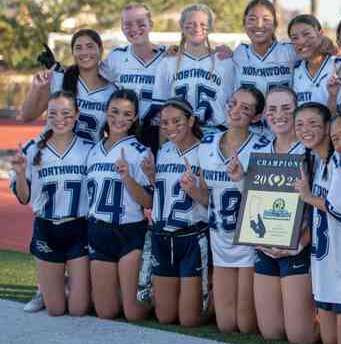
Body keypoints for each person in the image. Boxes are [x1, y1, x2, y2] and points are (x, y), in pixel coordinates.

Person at [10, 91, 93, 317]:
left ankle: (75, 284)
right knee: (55, 310)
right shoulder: (32, 148)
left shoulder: (88, 149)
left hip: (78, 228)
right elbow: (24, 198)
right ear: (47, 116)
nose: (60, 119)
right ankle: (56, 286)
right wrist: (19, 174)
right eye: (53, 114)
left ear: (76, 115)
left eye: (66, 113)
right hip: (46, 229)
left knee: (78, 310)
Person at [294, 106, 341, 344]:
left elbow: (338, 207)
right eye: (338, 137)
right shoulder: (317, 161)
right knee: (331, 343)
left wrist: (308, 196)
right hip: (325, 259)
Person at [200, 87, 270, 333]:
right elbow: (206, 197)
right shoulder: (207, 143)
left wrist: (243, 179)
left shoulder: (263, 146)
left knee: (245, 324)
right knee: (226, 324)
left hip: (249, 238)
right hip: (219, 236)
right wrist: (191, 190)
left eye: (246, 108)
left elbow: (266, 199)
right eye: (234, 103)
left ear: (256, 117)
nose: (236, 110)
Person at [251, 87, 317, 344]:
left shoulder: (309, 151)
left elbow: (319, 205)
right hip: (266, 246)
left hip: (299, 246)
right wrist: (256, 237)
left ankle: (327, 321)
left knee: (299, 337)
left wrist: (302, 241)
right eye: (272, 109)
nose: (279, 115)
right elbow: (254, 203)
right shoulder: (261, 150)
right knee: (270, 333)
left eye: (286, 109)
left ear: (297, 110)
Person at [86, 89, 152, 321]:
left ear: (134, 118)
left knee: (134, 314)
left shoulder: (141, 152)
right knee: (106, 312)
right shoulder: (93, 150)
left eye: (127, 114)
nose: (119, 118)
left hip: (130, 232)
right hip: (99, 231)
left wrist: (127, 178)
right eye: (114, 111)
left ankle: (152, 291)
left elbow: (149, 202)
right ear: (106, 112)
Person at [144, 99, 210, 327]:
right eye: (165, 123)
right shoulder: (163, 151)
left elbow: (212, 202)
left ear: (191, 121)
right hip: (162, 236)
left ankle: (217, 300)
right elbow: (161, 193)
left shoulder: (205, 152)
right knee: (164, 317)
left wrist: (195, 191)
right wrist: (152, 175)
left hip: (191, 237)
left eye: (176, 121)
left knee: (189, 320)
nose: (170, 127)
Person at [20, 29, 117, 143]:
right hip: (53, 155)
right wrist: (36, 88)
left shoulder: (111, 91)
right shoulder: (60, 79)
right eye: (78, 48)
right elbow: (27, 116)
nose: (84, 52)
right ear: (73, 53)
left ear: (100, 50)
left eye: (90, 46)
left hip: (89, 158)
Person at [152, 4, 236, 131]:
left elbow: (233, 105)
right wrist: (163, 148)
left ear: (211, 27)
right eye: (191, 23)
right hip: (180, 135)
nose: (197, 28)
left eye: (203, 24)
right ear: (181, 25)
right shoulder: (168, 62)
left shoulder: (225, 61)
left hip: (216, 136)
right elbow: (160, 110)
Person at [102, 3, 167, 152]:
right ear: (122, 27)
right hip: (125, 130)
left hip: (159, 133)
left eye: (140, 23)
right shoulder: (116, 57)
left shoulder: (168, 55)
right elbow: (91, 76)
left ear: (150, 24)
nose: (134, 29)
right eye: (128, 24)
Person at [232, 0, 297, 97]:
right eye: (252, 19)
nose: (259, 25)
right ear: (244, 23)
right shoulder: (239, 53)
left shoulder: (290, 51)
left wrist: (325, 44)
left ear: (275, 24)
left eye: (266, 19)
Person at [289, 14, 336, 106]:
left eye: (306, 34)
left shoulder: (337, 65)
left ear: (320, 33)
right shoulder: (294, 71)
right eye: (295, 38)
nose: (301, 41)